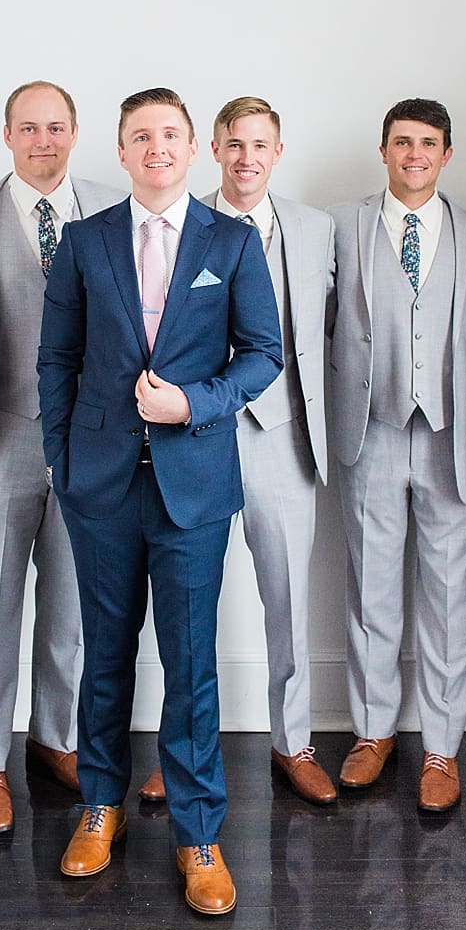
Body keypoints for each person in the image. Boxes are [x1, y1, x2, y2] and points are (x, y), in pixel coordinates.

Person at [38, 87, 282, 915]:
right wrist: (62, 462)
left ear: (193, 148)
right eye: (141, 136)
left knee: (192, 666)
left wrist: (195, 404)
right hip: (99, 486)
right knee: (104, 658)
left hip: (194, 485)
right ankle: (99, 806)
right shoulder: (83, 241)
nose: (157, 148)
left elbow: (263, 355)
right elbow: (55, 360)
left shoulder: (234, 242)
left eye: (171, 134)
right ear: (121, 150)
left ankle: (197, 833)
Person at [0, 80, 124, 834]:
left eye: (55, 127)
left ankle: (57, 738)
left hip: (91, 439)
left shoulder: (113, 209)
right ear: (7, 135)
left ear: (75, 133)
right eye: (28, 128)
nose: (42, 140)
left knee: (74, 603)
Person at [141, 97, 336, 807]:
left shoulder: (317, 230)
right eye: (234, 144)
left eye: (261, 144)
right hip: (193, 440)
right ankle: (183, 751)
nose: (247, 157)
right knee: (185, 607)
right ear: (214, 151)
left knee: (288, 601)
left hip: (283, 438)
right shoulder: (177, 226)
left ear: (277, 152)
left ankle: (295, 741)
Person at [327, 99, 466, 812]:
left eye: (428, 143)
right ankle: (371, 733)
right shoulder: (341, 227)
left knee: (449, 596)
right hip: (371, 431)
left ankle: (442, 749)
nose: (414, 154)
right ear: (383, 151)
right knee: (372, 592)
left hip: (451, 437)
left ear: (446, 154)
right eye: (402, 142)